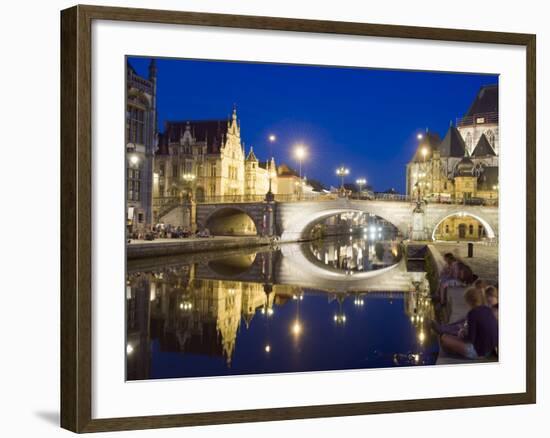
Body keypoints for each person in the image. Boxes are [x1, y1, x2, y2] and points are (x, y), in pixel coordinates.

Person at [439, 287, 498, 359]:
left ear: (469, 301)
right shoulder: (487, 309)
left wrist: (462, 334)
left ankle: (456, 352)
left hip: (479, 352)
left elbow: (470, 339)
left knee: (444, 338)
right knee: (449, 337)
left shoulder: (472, 313)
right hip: (489, 349)